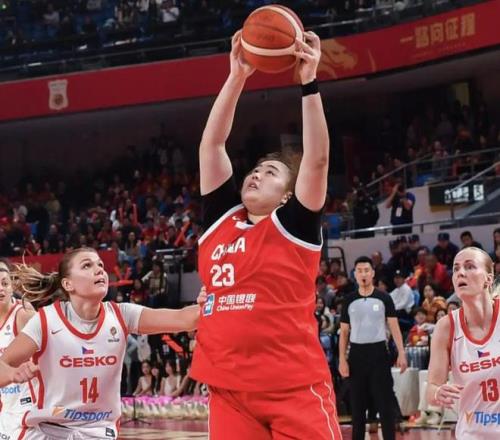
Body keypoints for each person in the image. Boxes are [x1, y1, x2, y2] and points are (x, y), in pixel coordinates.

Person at [191, 30, 341, 439]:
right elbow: (211, 146)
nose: (256, 174)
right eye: (255, 170)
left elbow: (317, 160)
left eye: (270, 172)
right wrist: (236, 77)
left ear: (288, 194)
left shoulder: (294, 224)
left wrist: (309, 83)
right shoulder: (222, 220)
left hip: (293, 387)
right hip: (229, 390)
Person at [0, 247, 205, 439]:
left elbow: (183, 319)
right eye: (87, 265)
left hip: (98, 431)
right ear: (68, 284)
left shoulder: (122, 315)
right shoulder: (46, 321)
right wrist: (12, 374)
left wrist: (208, 300)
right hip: (49, 430)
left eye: (100, 265)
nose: (99, 270)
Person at [426, 247, 500, 439]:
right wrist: (438, 392)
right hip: (472, 434)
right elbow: (431, 390)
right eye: (456, 268)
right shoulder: (446, 327)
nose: (460, 273)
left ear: (489, 279)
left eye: (469, 266)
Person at [339, 256, 408, 440]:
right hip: (356, 355)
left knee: (385, 405)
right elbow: (344, 332)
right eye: (359, 271)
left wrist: (401, 353)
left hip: (379, 354)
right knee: (357, 407)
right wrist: (342, 360)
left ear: (373, 273)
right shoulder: (348, 300)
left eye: (366, 270)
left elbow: (394, 326)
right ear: (355, 274)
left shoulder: (384, 298)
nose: (363, 274)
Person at [0, 267, 36, 439]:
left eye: (4, 283)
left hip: (29, 406)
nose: (1, 289)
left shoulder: (23, 315)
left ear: (12, 288)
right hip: (6, 406)